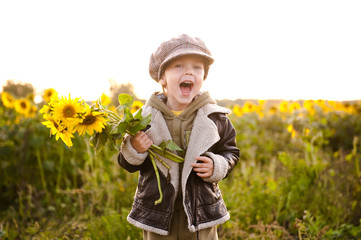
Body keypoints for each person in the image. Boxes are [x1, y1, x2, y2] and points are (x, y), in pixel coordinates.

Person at [118, 34, 240, 240]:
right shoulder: (143, 119)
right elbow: (127, 163)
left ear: (203, 77)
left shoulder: (215, 117)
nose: (189, 72)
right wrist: (135, 148)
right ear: (162, 78)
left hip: (201, 214)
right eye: (179, 66)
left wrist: (216, 165)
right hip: (158, 215)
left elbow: (231, 152)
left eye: (197, 67)